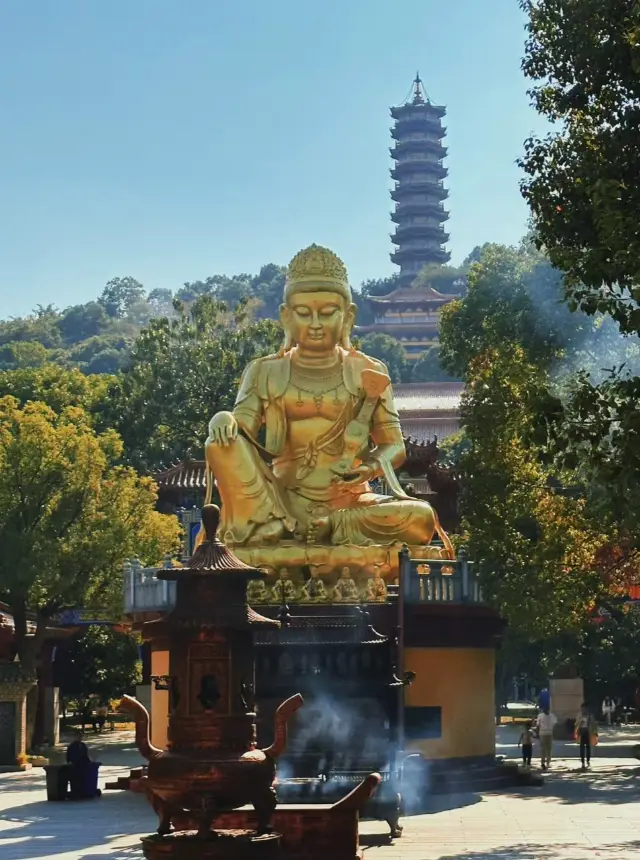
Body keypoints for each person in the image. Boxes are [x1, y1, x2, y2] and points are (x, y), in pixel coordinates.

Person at [202, 244, 454, 556]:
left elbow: (395, 445)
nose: (316, 324)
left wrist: (370, 468)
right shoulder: (264, 372)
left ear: (348, 316)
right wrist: (222, 420)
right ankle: (271, 524)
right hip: (279, 500)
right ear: (286, 317)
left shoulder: (369, 371)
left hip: (350, 502)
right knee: (218, 444)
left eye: (327, 312)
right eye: (304, 313)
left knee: (421, 518)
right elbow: (242, 435)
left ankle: (331, 528)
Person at [66, 731, 92, 798]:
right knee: (75, 780)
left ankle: (81, 792)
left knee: (82, 779)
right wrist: (70, 762)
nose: (80, 738)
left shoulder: (83, 745)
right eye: (78, 737)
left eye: (80, 737)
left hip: (82, 765)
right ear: (75, 737)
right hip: (75, 765)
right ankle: (76, 793)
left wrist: (89, 762)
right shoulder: (72, 746)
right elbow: (69, 756)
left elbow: (85, 755)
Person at [574, 702, 598, 769]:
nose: (583, 710)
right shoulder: (579, 715)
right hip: (581, 732)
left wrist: (595, 732)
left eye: (584, 709)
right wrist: (579, 723)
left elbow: (594, 724)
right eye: (582, 709)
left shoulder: (590, 715)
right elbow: (575, 724)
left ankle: (588, 760)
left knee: (588, 747)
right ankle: (582, 762)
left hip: (588, 732)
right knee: (581, 748)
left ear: (587, 709)